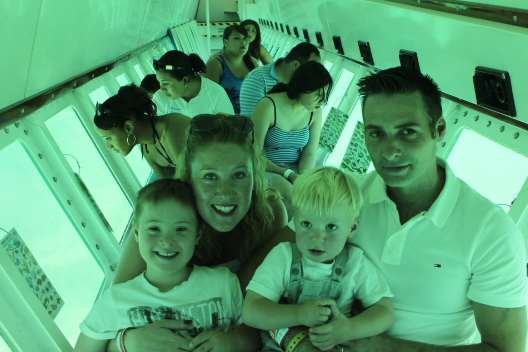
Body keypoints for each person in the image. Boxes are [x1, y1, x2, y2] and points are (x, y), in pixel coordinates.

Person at [340, 67, 527, 351]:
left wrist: (385, 348)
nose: (389, 151)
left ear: (439, 130)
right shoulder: (344, 194)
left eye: (407, 132)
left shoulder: (490, 231)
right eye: (376, 133)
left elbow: (506, 349)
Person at [106, 114, 292, 352]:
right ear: (189, 179)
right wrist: (127, 342)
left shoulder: (270, 217)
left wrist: (234, 341)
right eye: (209, 177)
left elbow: (261, 306)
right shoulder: (159, 227)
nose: (225, 192)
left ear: (254, 175)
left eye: (239, 175)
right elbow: (110, 319)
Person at [74, 179, 244, 352]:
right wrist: (124, 344)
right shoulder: (115, 301)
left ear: (197, 235)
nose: (167, 242)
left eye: (181, 229)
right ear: (137, 233)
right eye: (154, 229)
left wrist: (231, 342)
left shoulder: (223, 284)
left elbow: (255, 334)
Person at [242, 167, 394, 352]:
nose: (317, 238)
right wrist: (299, 314)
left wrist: (349, 329)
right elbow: (251, 310)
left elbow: (385, 311)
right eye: (306, 224)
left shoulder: (356, 264)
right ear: (295, 222)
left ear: (352, 229)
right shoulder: (283, 257)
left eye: (331, 227)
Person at [252, 61, 332, 215]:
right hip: (265, 169)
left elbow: (309, 153)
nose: (323, 101)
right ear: (303, 87)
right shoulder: (268, 106)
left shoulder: (315, 112)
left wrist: (303, 179)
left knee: (321, 198)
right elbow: (254, 154)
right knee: (291, 197)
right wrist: (287, 173)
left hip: (294, 172)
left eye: (325, 96)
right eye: (318, 95)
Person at [94, 85, 189, 178]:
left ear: (128, 127)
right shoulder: (147, 150)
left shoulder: (171, 129)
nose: (108, 146)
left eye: (108, 138)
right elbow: (170, 188)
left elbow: (185, 181)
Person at [240, 42, 320, 117]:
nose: (312, 77)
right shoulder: (257, 80)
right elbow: (253, 124)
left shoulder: (299, 87)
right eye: (310, 71)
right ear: (295, 65)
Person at [153, 50, 234, 117]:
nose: (161, 89)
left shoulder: (216, 94)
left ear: (185, 80)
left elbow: (230, 130)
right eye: (159, 82)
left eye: (165, 83)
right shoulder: (160, 98)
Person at [205, 25, 258, 114]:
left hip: (250, 116)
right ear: (226, 42)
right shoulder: (215, 64)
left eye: (245, 38)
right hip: (225, 118)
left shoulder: (253, 63)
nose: (243, 42)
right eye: (237, 38)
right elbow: (209, 100)